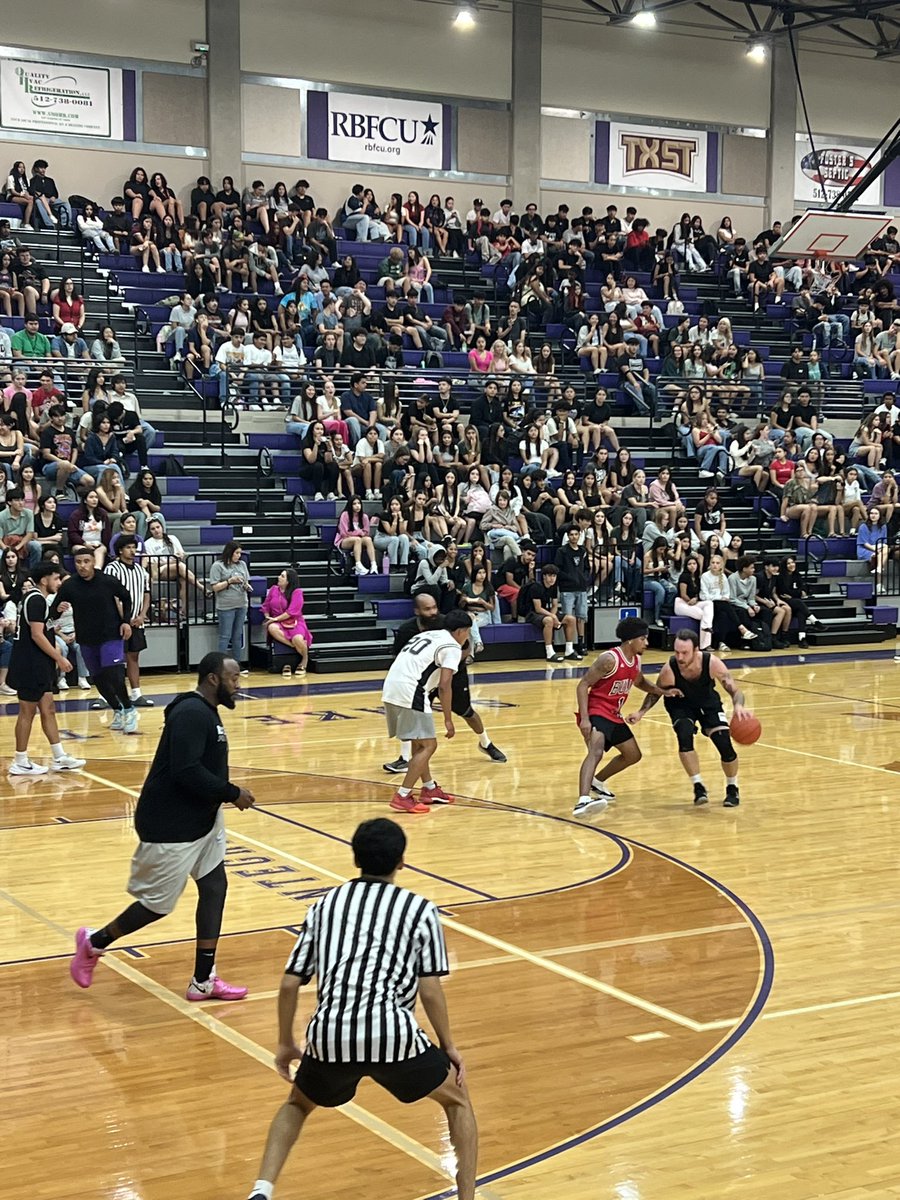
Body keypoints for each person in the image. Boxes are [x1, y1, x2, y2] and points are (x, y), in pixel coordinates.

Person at [244, 818, 477, 1200]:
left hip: (329, 1035)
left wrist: (286, 1042)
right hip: (394, 1034)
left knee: (297, 1105)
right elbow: (430, 990)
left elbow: (289, 984)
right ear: (402, 861)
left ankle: (262, 1189)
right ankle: (466, 1197)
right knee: (457, 1100)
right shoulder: (419, 909)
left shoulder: (324, 906)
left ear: (355, 858)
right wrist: (447, 1044)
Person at [69, 653, 255, 1001]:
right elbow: (185, 770)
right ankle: (94, 943)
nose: (238, 685)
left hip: (203, 818)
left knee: (215, 887)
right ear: (213, 679)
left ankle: (203, 980)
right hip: (173, 823)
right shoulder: (191, 714)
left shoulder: (204, 711)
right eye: (233, 678)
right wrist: (232, 793)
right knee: (156, 906)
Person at [383, 595, 506, 774]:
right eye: (427, 609)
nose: (433, 612)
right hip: (420, 679)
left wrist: (448, 664)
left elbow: (465, 649)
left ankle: (486, 743)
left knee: (466, 711)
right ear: (417, 611)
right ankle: (405, 759)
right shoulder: (406, 630)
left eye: (434, 607)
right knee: (410, 714)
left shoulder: (448, 623)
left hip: (450, 674)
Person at [632, 628, 751, 808]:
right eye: (677, 652)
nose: (680, 657)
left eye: (684, 653)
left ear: (696, 650)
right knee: (684, 734)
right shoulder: (669, 669)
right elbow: (656, 693)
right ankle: (698, 786)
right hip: (680, 704)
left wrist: (739, 705)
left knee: (724, 744)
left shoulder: (712, 663)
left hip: (707, 703)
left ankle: (732, 787)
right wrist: (641, 712)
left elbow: (734, 690)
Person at [574, 617, 671, 816]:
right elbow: (583, 685)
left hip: (613, 714)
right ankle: (582, 800)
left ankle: (597, 781)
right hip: (596, 711)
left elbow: (641, 682)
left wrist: (664, 692)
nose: (647, 643)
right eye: (643, 639)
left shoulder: (636, 660)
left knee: (633, 755)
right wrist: (584, 718)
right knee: (596, 751)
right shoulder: (609, 659)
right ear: (631, 640)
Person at [381, 610, 473, 813]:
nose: (467, 637)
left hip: (392, 687)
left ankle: (429, 788)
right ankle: (403, 795)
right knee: (429, 745)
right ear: (460, 631)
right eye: (468, 632)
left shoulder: (427, 635)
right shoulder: (451, 646)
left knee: (419, 741)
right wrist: (448, 719)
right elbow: (445, 685)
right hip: (410, 691)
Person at [7, 561, 86, 776]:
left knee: (48, 708)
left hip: (37, 663)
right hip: (29, 663)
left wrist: (54, 616)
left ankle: (59, 757)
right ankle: (20, 760)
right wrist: (58, 657)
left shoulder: (37, 599)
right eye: (56, 578)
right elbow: (36, 634)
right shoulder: (36, 600)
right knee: (27, 712)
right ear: (45, 580)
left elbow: (43, 626)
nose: (59, 582)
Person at [54, 545, 137, 730]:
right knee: (98, 679)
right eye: (78, 562)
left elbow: (126, 597)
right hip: (86, 638)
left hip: (111, 635)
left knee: (114, 675)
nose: (82, 566)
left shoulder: (107, 581)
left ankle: (130, 710)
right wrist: (57, 611)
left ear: (93, 562)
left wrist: (125, 621)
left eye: (86, 561)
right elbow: (53, 612)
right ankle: (117, 709)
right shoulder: (70, 585)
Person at [105, 536, 153, 708]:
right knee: (113, 659)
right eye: (128, 548)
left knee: (134, 656)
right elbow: (113, 596)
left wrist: (142, 615)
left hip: (137, 621)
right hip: (116, 622)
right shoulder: (112, 569)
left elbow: (147, 594)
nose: (132, 551)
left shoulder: (141, 571)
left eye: (134, 547)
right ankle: (107, 695)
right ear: (120, 550)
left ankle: (136, 693)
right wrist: (124, 618)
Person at [261, 568, 312, 675]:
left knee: (297, 638)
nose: (278, 577)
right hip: (278, 622)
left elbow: (292, 612)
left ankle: (305, 659)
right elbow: (266, 606)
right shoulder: (273, 589)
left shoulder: (297, 592)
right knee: (272, 628)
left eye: (282, 576)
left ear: (289, 581)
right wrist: (268, 617)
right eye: (280, 575)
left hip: (294, 621)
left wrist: (275, 619)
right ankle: (294, 645)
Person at [210, 541, 252, 658]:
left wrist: (246, 586)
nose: (239, 556)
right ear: (230, 552)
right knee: (225, 636)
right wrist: (229, 581)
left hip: (241, 604)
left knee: (237, 635)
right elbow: (215, 587)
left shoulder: (242, 564)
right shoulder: (218, 566)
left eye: (240, 553)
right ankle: (222, 663)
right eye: (237, 553)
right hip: (226, 606)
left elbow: (246, 580)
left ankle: (236, 662)